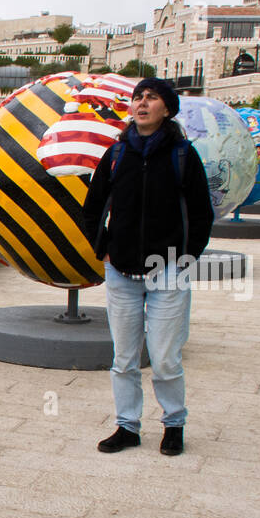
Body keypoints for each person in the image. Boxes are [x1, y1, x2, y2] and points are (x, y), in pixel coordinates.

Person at [80, 77, 214, 456]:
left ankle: (173, 424)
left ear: (167, 109)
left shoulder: (183, 155)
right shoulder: (117, 153)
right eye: (138, 97)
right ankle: (127, 426)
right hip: (121, 272)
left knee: (165, 357)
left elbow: (202, 213)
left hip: (167, 269)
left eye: (151, 98)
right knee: (123, 358)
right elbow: (93, 208)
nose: (141, 103)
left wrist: (187, 256)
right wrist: (102, 248)